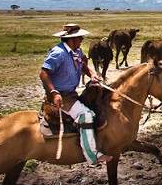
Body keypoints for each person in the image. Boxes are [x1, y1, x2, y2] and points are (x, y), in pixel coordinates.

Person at [40, 24, 112, 166]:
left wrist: (91, 74)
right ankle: (92, 155)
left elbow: (82, 64)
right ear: (71, 39)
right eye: (79, 37)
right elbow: (43, 73)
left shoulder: (76, 51)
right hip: (60, 96)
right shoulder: (58, 53)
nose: (82, 39)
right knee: (86, 114)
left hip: (71, 94)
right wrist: (54, 93)